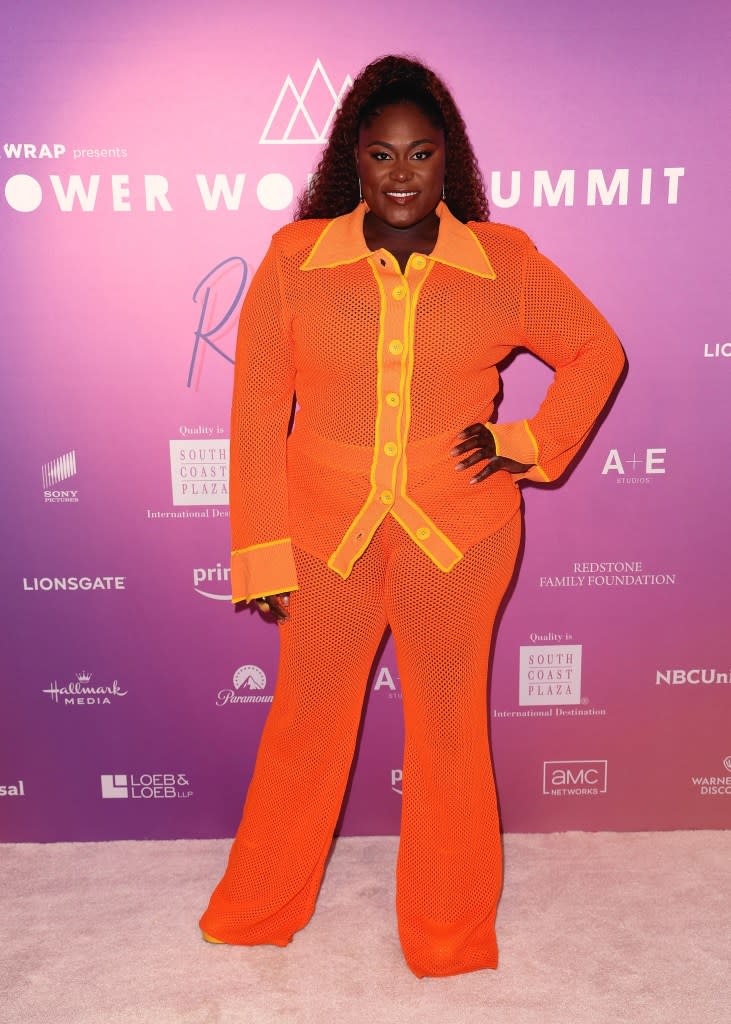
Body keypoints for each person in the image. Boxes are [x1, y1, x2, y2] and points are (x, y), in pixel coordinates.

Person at [198, 54, 625, 978]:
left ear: (447, 162)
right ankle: (260, 906)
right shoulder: (295, 259)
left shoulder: (502, 261)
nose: (401, 174)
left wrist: (529, 442)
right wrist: (261, 551)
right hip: (321, 537)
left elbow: (595, 350)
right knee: (306, 722)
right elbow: (257, 410)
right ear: (352, 160)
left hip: (460, 536)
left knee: (446, 730)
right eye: (382, 154)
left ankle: (447, 934)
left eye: (420, 154)